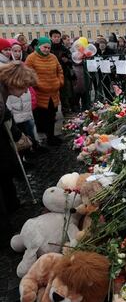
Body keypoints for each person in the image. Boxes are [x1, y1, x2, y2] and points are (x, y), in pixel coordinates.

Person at [0, 61, 38, 247]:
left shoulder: (3, 90)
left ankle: (12, 204)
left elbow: (5, 114)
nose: (25, 92)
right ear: (15, 82)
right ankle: (4, 229)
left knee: (6, 170)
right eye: (24, 88)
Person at [26, 37, 64, 146]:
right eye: (45, 47)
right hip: (40, 94)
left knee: (52, 115)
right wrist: (40, 85)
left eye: (49, 47)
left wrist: (59, 82)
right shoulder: (31, 58)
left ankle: (51, 137)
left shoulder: (53, 57)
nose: (47, 49)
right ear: (39, 46)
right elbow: (29, 75)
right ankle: (44, 139)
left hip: (54, 93)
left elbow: (59, 70)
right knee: (43, 117)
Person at [49, 29, 74, 116]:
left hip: (64, 74)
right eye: (55, 37)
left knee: (64, 94)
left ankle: (66, 110)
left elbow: (71, 61)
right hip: (51, 75)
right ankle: (53, 113)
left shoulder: (64, 49)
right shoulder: (48, 49)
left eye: (58, 37)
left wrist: (67, 60)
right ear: (51, 38)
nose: (57, 38)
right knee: (53, 94)